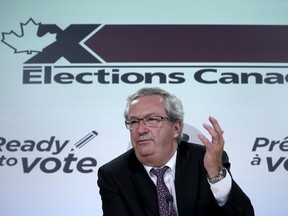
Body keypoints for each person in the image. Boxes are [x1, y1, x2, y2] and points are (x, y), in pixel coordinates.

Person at [97, 87, 254, 216]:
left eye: (152, 120)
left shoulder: (204, 160)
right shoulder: (114, 174)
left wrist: (215, 175)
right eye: (133, 122)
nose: (140, 130)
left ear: (176, 128)